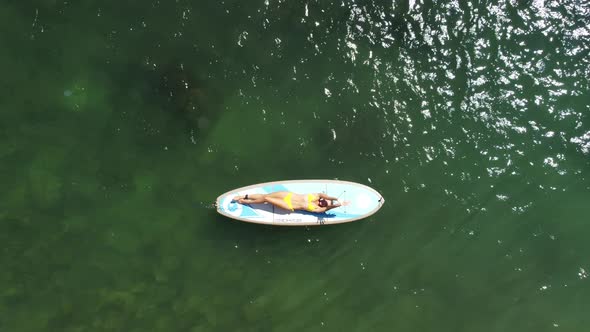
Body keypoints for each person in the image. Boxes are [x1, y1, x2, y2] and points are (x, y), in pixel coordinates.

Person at [232, 191, 348, 213]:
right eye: (323, 201)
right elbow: (326, 196)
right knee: (265, 195)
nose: (322, 203)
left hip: (289, 205)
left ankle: (243, 201)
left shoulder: (318, 208)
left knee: (267, 199)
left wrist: (338, 205)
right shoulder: (317, 195)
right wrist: (337, 199)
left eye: (323, 204)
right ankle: (244, 196)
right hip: (288, 195)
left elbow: (327, 208)